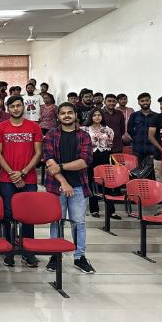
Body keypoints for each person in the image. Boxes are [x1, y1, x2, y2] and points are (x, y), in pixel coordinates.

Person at [43, 103, 95, 274]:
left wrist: (61, 167)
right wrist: (64, 182)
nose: (66, 116)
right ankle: (55, 255)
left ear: (75, 115)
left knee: (78, 222)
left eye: (70, 113)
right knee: (56, 221)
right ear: (58, 116)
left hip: (79, 185)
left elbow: (85, 161)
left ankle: (80, 257)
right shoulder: (51, 134)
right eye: (63, 113)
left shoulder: (84, 135)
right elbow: (49, 160)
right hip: (56, 186)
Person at [0, 95, 43, 268]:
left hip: (28, 178)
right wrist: (12, 174)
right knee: (8, 215)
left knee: (28, 216)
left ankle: (28, 252)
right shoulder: (1, 127)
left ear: (23, 107)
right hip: (7, 179)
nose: (16, 108)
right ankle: (9, 250)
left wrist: (22, 172)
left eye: (18, 105)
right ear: (8, 109)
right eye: (12, 106)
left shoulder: (34, 127)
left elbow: (38, 153)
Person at [81, 108, 115, 219]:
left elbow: (110, 144)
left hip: (104, 156)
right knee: (91, 182)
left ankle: (111, 211)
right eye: (94, 115)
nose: (97, 117)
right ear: (91, 117)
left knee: (107, 182)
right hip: (90, 157)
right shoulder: (85, 129)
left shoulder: (108, 130)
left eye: (99, 115)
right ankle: (94, 209)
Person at [126, 92, 156, 163]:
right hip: (138, 149)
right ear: (139, 103)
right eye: (142, 101)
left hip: (152, 149)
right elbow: (129, 129)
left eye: (147, 100)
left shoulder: (156, 116)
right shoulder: (134, 115)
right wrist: (136, 138)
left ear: (150, 101)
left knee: (151, 169)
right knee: (138, 168)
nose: (145, 102)